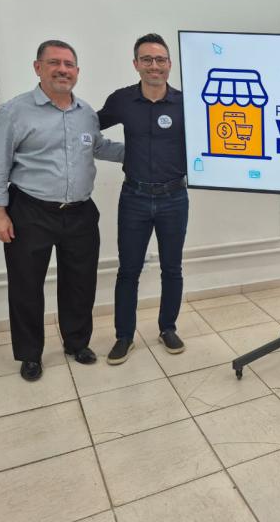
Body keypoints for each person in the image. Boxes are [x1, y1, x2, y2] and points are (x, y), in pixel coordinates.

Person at [0, 40, 124, 381]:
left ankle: (77, 343)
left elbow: (99, 147)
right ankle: (30, 354)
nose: (63, 70)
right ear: (38, 68)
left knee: (80, 283)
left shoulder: (86, 113)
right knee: (26, 286)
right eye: (54, 63)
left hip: (80, 213)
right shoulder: (14, 112)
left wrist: (149, 151)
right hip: (30, 211)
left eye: (69, 64)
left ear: (77, 71)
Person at [99, 33, 188, 364]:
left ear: (169, 64)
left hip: (174, 198)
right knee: (128, 271)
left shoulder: (185, 103)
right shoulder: (122, 100)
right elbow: (88, 127)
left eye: (160, 59)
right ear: (136, 64)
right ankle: (124, 336)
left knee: (172, 269)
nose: (154, 65)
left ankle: (167, 328)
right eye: (147, 59)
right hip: (134, 198)